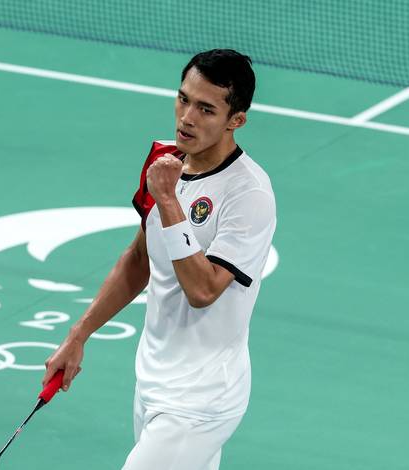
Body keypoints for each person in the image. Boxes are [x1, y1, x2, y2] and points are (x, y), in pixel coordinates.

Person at [42, 49, 276, 470]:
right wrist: (80, 333)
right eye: (183, 99)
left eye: (206, 109)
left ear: (235, 120)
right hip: (152, 381)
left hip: (203, 398)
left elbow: (203, 290)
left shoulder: (249, 194)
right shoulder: (162, 161)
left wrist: (169, 200)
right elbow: (138, 258)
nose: (187, 117)